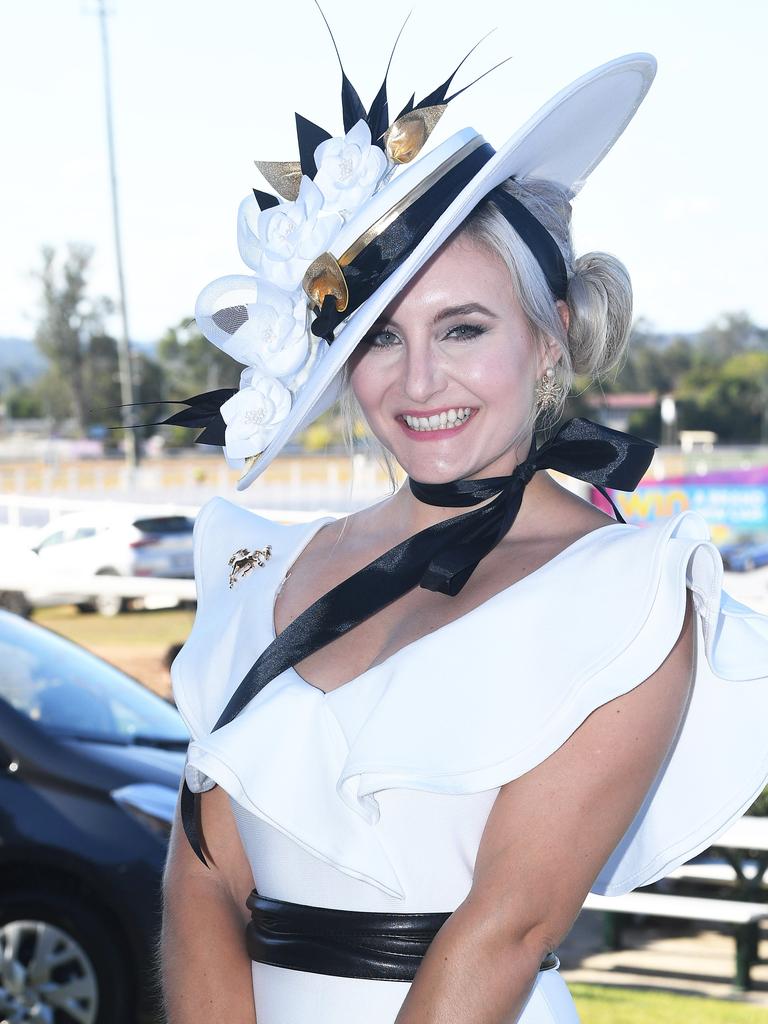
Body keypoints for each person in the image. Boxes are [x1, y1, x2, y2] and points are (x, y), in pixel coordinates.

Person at [157, 28, 768, 1024]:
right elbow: (200, 877)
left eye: (463, 328)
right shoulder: (267, 570)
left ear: (551, 335)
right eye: (380, 338)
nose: (419, 380)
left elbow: (507, 930)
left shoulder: (633, 593)